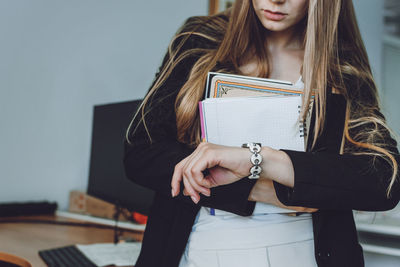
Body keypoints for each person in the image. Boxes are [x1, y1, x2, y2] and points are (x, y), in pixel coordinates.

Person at [124, 0, 400, 266]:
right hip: (199, 247)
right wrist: (258, 189)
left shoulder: (340, 66)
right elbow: (142, 153)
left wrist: (263, 161)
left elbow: (384, 181)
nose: (276, 0)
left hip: (304, 252)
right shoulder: (199, 40)